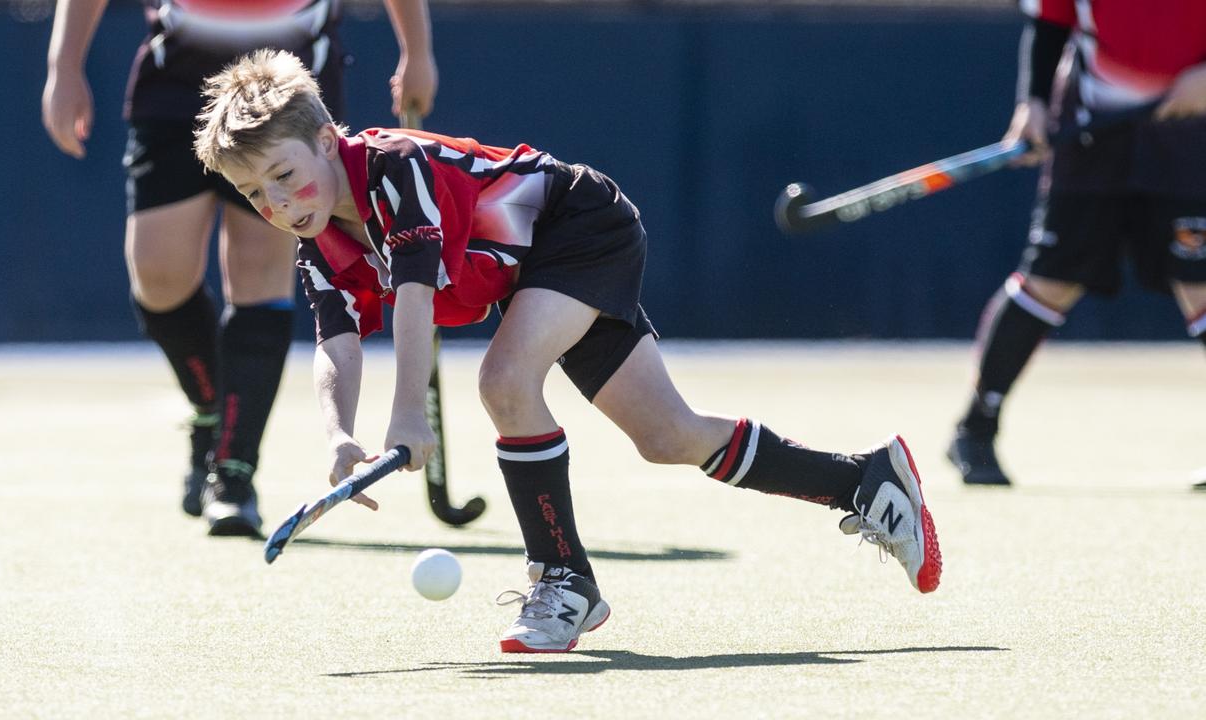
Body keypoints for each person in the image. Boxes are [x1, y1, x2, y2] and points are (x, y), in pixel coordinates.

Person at [193, 49, 944, 653]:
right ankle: (864, 482)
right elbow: (337, 342)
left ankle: (562, 580)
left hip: (579, 227)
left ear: (326, 140)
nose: (280, 204)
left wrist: (405, 420)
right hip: (531, 278)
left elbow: (415, 300)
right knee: (667, 436)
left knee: (504, 378)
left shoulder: (394, 169)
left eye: (284, 175)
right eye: (256, 195)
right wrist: (338, 434)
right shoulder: (317, 238)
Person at [41, 0, 438, 536]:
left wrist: (417, 50)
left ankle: (233, 474)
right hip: (177, 78)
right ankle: (212, 406)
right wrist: (63, 67)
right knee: (159, 277)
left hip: (291, 78)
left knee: (259, 269)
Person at [947, 0, 1206, 489]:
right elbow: (1049, 22)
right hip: (1091, 135)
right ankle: (975, 429)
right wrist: (1034, 105)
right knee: (1049, 283)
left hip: (1189, 135)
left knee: (1202, 288)